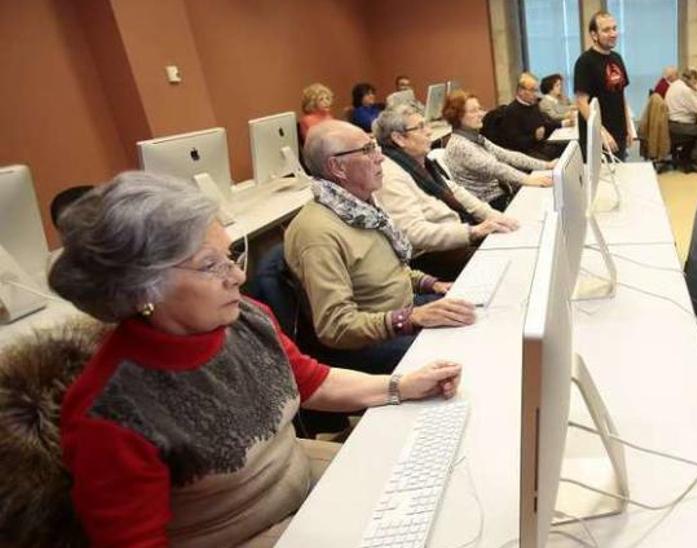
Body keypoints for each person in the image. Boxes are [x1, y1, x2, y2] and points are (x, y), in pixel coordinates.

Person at [50, 171, 464, 546]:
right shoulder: (108, 414)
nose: (238, 276)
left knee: (442, 493)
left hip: (306, 492)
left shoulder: (245, 318)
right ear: (142, 289)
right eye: (211, 266)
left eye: (230, 256)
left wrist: (401, 386)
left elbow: (311, 381)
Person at [286, 121, 477, 375]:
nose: (380, 158)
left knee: (477, 313)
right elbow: (336, 327)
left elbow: (386, 272)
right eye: (366, 150)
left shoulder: (359, 208)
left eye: (374, 146)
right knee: (468, 355)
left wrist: (432, 284)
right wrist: (411, 318)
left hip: (402, 312)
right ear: (336, 167)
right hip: (370, 343)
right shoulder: (317, 233)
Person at [373, 104, 520, 277]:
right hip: (431, 257)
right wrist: (473, 231)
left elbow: (458, 193)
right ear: (398, 138)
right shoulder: (390, 176)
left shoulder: (418, 163)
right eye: (420, 127)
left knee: (514, 241)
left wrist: (496, 217)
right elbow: (413, 233)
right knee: (510, 262)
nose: (429, 131)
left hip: (456, 238)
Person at [442, 90, 553, 211]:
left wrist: (546, 165)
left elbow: (507, 155)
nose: (481, 114)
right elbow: (496, 168)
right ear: (457, 116)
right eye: (474, 111)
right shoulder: (460, 146)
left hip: (501, 197)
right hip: (491, 206)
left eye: (480, 109)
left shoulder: (476, 138)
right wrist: (528, 180)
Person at [574, 10, 634, 159]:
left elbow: (621, 95)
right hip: (597, 137)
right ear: (594, 35)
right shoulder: (585, 62)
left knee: (620, 177)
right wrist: (601, 132)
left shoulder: (617, 58)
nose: (613, 33)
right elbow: (581, 103)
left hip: (618, 134)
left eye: (614, 28)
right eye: (606, 30)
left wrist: (628, 126)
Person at [492, 73, 564, 160]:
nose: (536, 94)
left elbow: (544, 125)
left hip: (540, 146)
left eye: (537, 90)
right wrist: (534, 137)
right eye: (533, 90)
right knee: (555, 160)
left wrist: (562, 124)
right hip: (525, 152)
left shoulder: (533, 105)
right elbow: (514, 142)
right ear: (521, 91)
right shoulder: (512, 111)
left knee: (567, 148)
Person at [664, 68, 697, 171]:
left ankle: (686, 156)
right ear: (691, 79)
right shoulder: (685, 90)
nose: (696, 83)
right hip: (679, 127)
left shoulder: (676, 84)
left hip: (672, 124)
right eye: (696, 81)